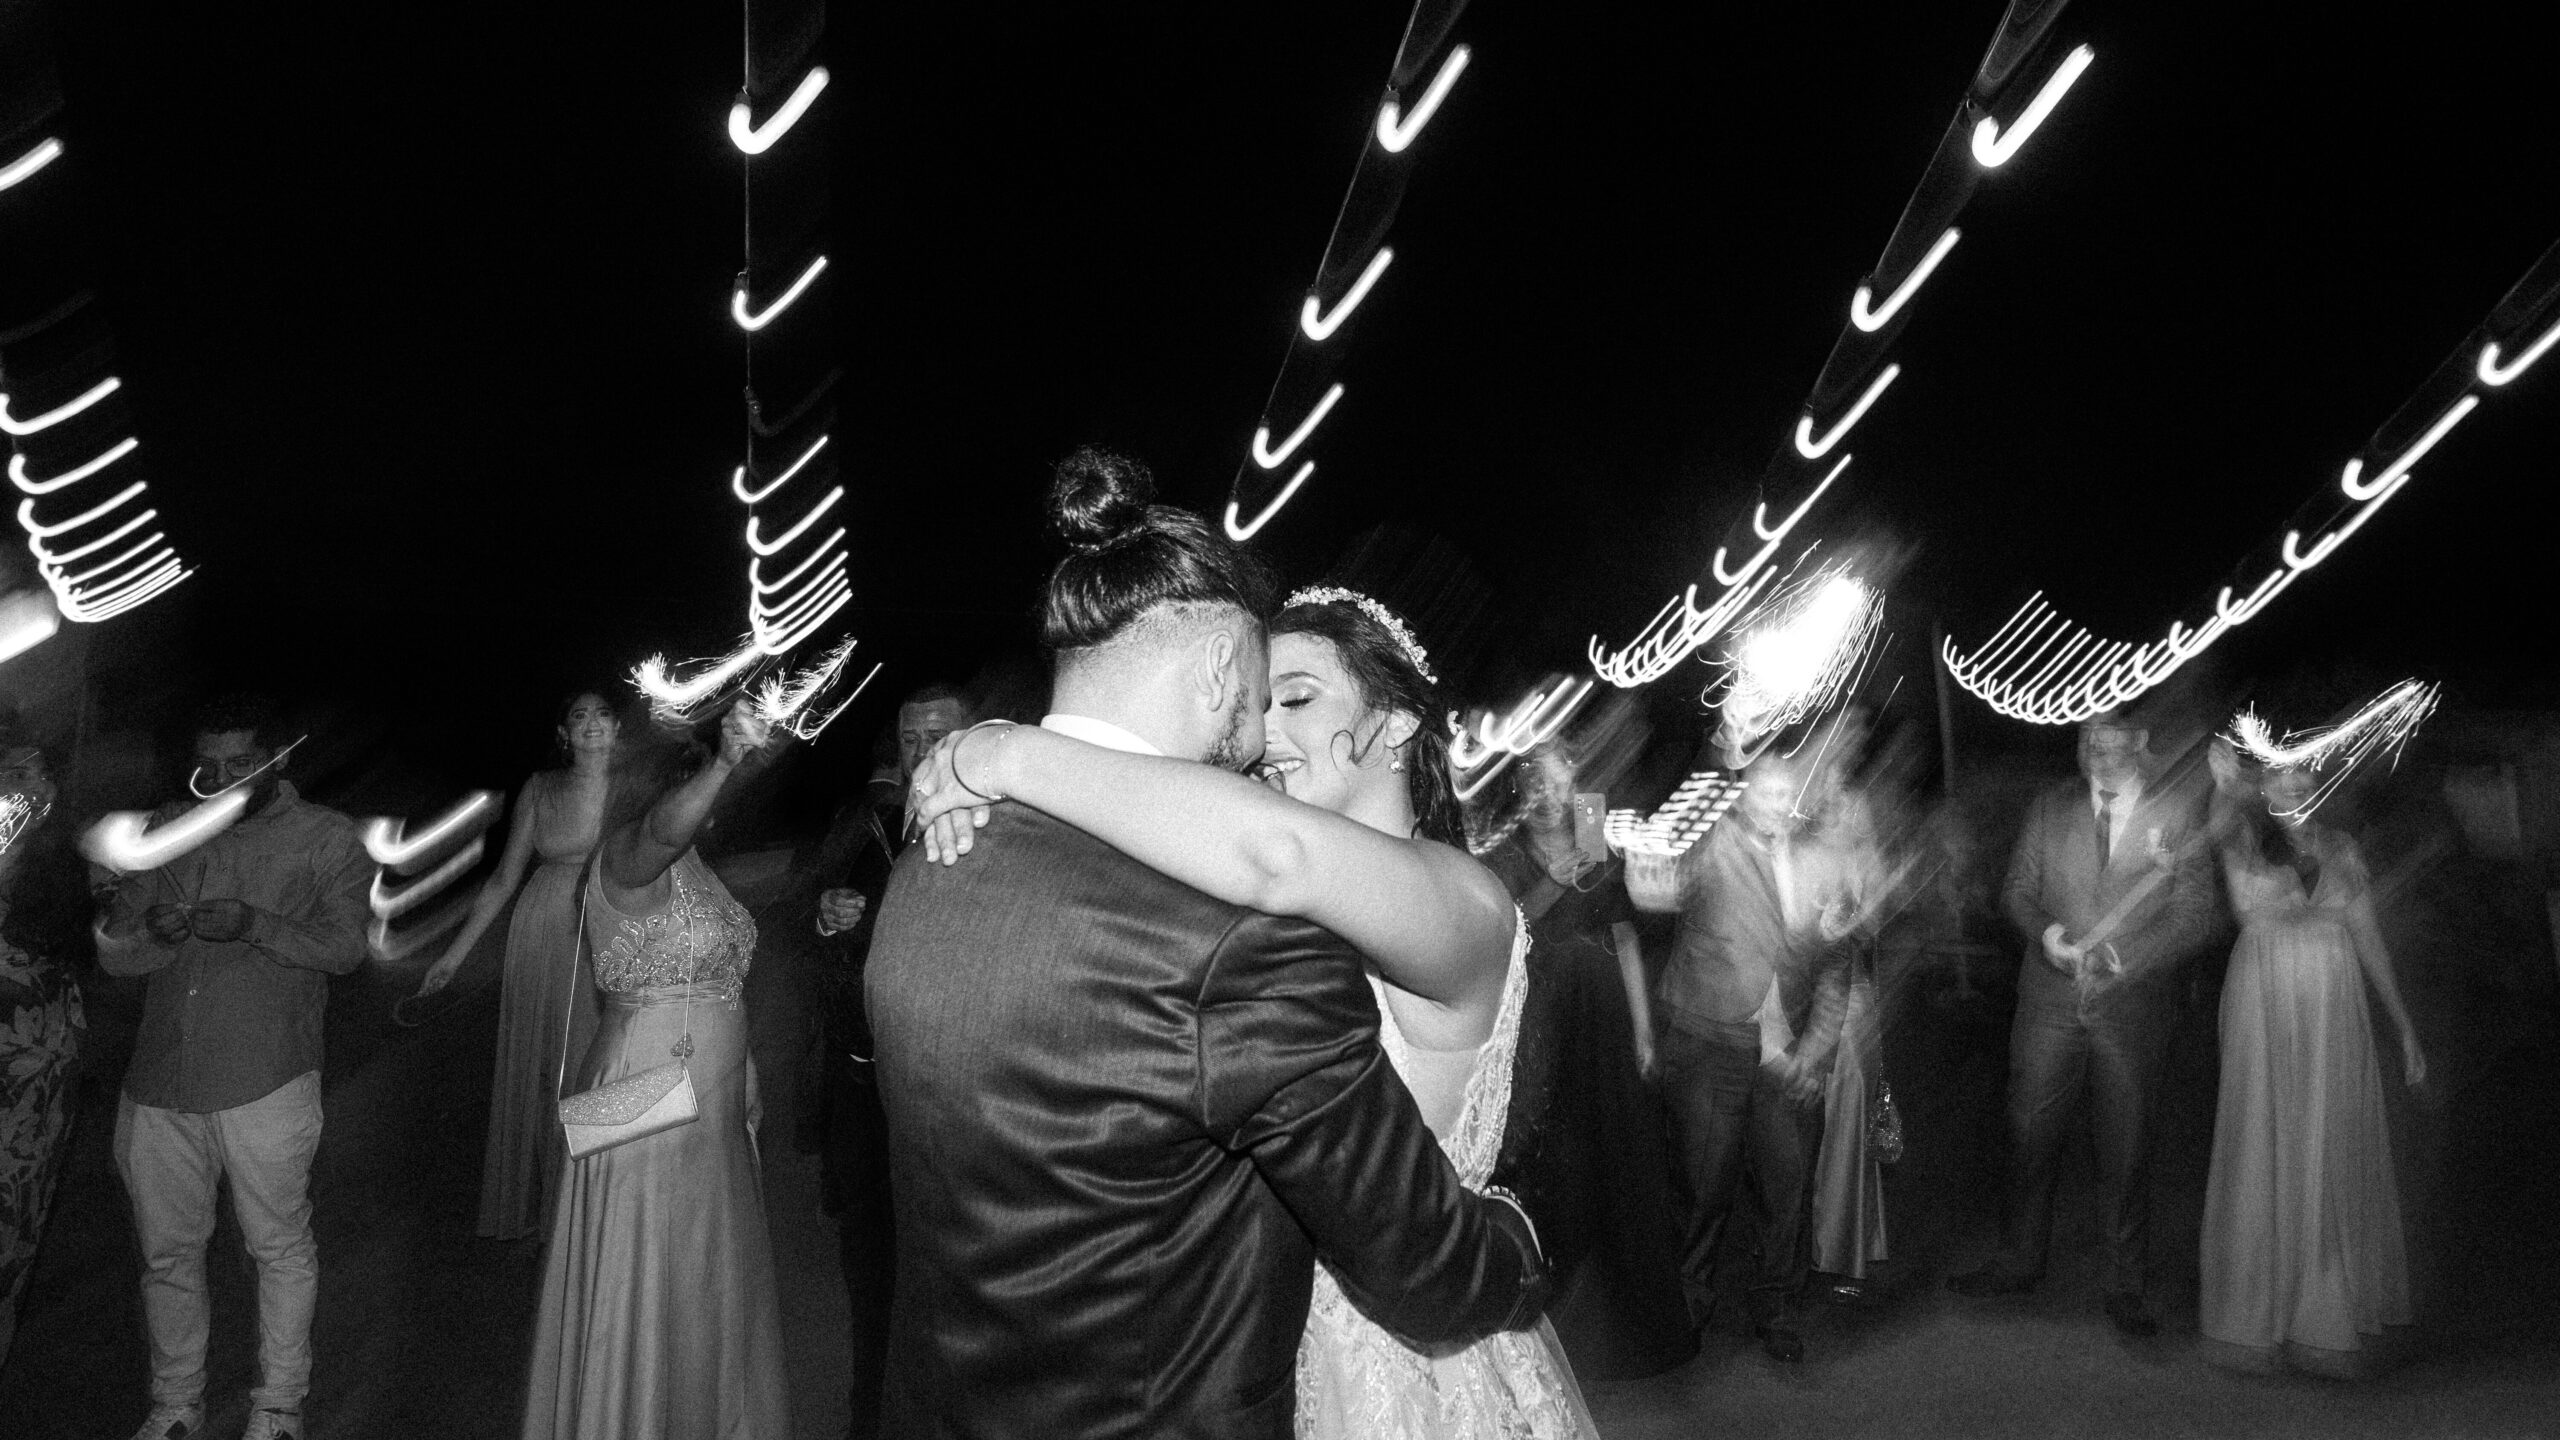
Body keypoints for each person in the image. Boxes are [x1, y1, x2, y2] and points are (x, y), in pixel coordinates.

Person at [872, 446, 1553, 1439]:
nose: (1266, 728)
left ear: (1399, 723)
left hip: (1385, 1368)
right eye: (1260, 691)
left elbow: (1274, 856)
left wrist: (1005, 748)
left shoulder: (940, 856)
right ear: (1217, 667)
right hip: (1228, 1366)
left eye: (1301, 698)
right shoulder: (1234, 933)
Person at [96, 694, 371, 1440]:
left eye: (239, 763)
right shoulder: (164, 831)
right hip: (159, 1080)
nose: (216, 779)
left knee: (276, 1245)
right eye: (206, 764)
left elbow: (345, 949)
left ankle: (279, 1405)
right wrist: (143, 926)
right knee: (165, 1254)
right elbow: (115, 956)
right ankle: (176, 1403)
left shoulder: (326, 838)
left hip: (266, 1076)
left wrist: (258, 925)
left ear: (278, 761)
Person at [520, 703, 790, 1440]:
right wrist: (727, 761)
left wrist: (747, 1073)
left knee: (699, 1286)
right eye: (697, 787)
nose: (713, 807)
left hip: (709, 1097)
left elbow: (721, 986)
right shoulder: (628, 856)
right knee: (644, 1284)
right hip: (647, 1097)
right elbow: (665, 829)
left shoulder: (695, 867)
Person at [1948, 710, 2217, 1337]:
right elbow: (2017, 890)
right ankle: (2018, 1262)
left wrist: (2128, 959)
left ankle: (2126, 1285)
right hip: (2049, 1001)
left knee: (2126, 1145)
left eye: (2112, 736)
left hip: (2134, 1008)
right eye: (2087, 738)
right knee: (2027, 1133)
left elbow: (2196, 912)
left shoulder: (2175, 813)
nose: (2096, 748)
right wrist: (2048, 936)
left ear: (2143, 740)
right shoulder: (2051, 808)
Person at [2196, 743, 2423, 1376]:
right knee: (2265, 1137)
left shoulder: (2342, 845)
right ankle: (2260, 1301)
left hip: (2334, 1005)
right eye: (2279, 775)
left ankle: (2325, 1299)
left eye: (2301, 773)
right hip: (2264, 996)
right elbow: (2244, 906)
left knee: (2329, 1141)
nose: (2292, 785)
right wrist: (2225, 789)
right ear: (2262, 784)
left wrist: (2402, 1023)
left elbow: (2368, 932)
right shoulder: (2241, 836)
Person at [1479, 740, 1694, 1380]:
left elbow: (1623, 934)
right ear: (1521, 792)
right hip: (1542, 1035)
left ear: (1573, 783)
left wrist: (1643, 1031)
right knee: (1559, 1173)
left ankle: (1642, 1329)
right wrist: (1556, 878)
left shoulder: (1594, 830)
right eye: (1535, 784)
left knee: (1626, 1163)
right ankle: (1548, 1322)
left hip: (1604, 1029)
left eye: (1558, 781)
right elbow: (1507, 933)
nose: (1549, 796)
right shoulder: (1506, 856)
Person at [799, 680, 970, 1440]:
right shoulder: (875, 821)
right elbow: (838, 920)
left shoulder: (1011, 831)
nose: (924, 753)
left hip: (955, 1106)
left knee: (951, 1292)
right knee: (871, 1277)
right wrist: (830, 918)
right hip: (868, 1088)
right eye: (910, 740)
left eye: (939, 736)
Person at [1655, 746, 1852, 1363]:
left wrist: (1815, 1055)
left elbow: (1838, 966)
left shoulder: (1823, 860)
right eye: (1763, 791)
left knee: (1787, 1184)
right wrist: (1724, 749)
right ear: (1740, 795)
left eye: (1786, 793)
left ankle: (1776, 1306)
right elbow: (1673, 858)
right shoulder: (1714, 843)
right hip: (1714, 1040)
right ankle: (1686, 1307)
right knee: (1705, 1186)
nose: (1777, 805)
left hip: (1786, 1051)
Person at [415, 688, 620, 1241]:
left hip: (614, 924)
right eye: (579, 716)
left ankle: (603, 1203)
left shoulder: (640, 786)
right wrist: (453, 956)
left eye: (603, 714)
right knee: (551, 1065)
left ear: (620, 728)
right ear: (564, 734)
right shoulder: (541, 787)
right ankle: (557, 1207)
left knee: (609, 1061)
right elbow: (505, 878)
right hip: (548, 928)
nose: (592, 725)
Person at [0, 737, 93, 1370]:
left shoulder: (61, 862)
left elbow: (74, 954)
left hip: (27, 1073)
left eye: (34, 776)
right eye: (8, 774)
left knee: (9, 1238)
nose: (22, 788)